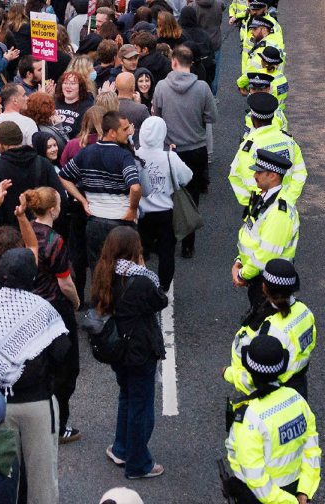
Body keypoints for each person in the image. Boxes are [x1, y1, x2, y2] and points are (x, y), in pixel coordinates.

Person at [0, 248, 69, 504]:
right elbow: (63, 354)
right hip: (37, 404)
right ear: (32, 275)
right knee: (42, 479)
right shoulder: (43, 309)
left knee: (4, 474)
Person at [91, 226, 167, 480]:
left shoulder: (104, 272)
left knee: (127, 396)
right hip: (139, 350)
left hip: (118, 349)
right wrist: (144, 267)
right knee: (142, 406)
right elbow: (161, 300)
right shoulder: (141, 280)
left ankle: (121, 448)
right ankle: (138, 463)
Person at [222, 335, 321, 504]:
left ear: (250, 372)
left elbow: (256, 479)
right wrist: (304, 492)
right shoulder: (297, 399)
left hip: (262, 498)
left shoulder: (248, 418)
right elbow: (311, 450)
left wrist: (289, 502)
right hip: (296, 490)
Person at [56, 111, 141, 272]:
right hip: (121, 221)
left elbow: (64, 177)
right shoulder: (124, 156)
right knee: (125, 271)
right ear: (112, 132)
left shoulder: (86, 152)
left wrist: (83, 200)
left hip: (95, 222)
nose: (129, 131)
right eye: (125, 129)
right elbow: (135, 187)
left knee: (99, 271)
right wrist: (132, 209)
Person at [150, 45, 214, 258]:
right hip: (195, 149)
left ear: (174, 62)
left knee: (166, 195)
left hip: (169, 150)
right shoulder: (203, 87)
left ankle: (166, 239)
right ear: (191, 63)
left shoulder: (161, 87)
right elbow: (211, 117)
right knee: (192, 195)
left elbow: (155, 115)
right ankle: (188, 245)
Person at [224, 259, 315, 399]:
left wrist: (229, 374)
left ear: (264, 287)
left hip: (270, 393)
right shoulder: (304, 311)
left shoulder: (268, 329)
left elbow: (256, 378)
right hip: (298, 386)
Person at [232, 146, 300, 313]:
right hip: (258, 277)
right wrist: (239, 260)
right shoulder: (263, 197)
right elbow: (251, 234)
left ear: (273, 175)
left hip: (268, 282)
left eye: (259, 172)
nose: (254, 176)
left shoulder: (279, 213)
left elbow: (265, 255)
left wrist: (242, 274)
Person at [133, 116, 190, 293]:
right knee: (167, 253)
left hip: (140, 212)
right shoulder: (169, 157)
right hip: (165, 212)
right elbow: (187, 177)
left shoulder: (135, 155)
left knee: (138, 252)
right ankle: (163, 287)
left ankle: (139, 285)